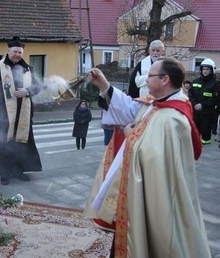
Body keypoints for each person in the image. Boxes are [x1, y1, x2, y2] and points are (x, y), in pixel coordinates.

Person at [84, 57, 211, 257]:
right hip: (140, 187)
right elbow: (128, 110)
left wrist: (130, 135)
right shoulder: (157, 103)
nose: (144, 80)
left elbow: (153, 157)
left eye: (150, 76)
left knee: (152, 235)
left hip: (157, 193)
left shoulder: (173, 118)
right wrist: (104, 85)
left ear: (164, 80)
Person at [0, 36, 42, 185]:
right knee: (3, 144)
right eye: (15, 51)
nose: (17, 55)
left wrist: (27, 91)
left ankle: (19, 171)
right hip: (2, 114)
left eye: (20, 52)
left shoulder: (28, 69)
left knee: (21, 144)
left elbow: (38, 86)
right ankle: (4, 174)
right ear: (8, 51)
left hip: (23, 114)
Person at [189, 58, 220, 145]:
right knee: (194, 129)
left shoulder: (216, 83)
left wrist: (202, 105)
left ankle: (206, 145)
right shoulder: (196, 81)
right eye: (203, 69)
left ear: (212, 70)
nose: (205, 71)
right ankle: (195, 145)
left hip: (207, 112)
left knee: (205, 130)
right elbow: (190, 95)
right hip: (195, 111)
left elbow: (216, 99)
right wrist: (195, 104)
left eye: (207, 69)